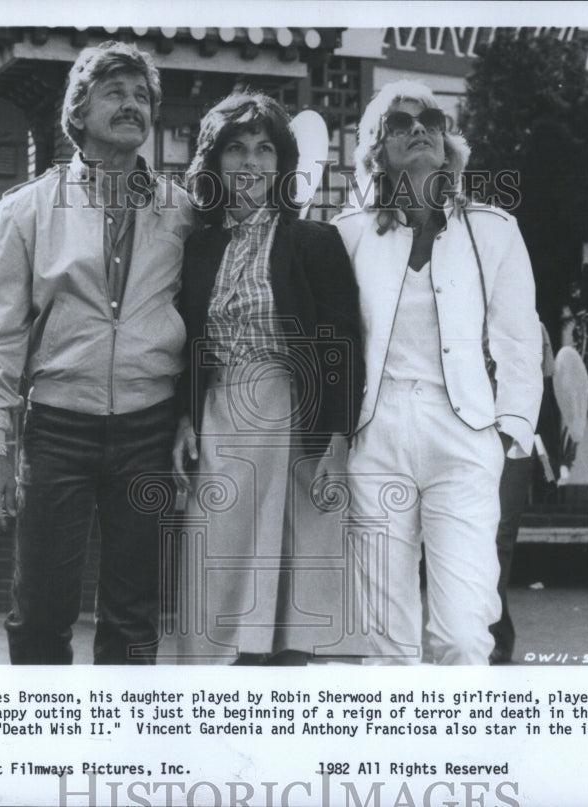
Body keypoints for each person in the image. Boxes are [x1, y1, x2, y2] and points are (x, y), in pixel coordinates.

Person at [0, 41, 195, 664]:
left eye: (142, 96)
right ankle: (47, 750)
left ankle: (118, 753)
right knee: (40, 612)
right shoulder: (28, 208)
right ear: (78, 110)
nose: (132, 106)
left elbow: (202, 321)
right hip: (58, 429)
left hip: (148, 429)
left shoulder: (182, 211)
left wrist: (188, 416)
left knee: (134, 617)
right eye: (115, 93)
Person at [333, 79, 544, 665]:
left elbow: (520, 339)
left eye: (429, 118)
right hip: (375, 438)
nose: (418, 128)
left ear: (448, 140)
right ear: (377, 148)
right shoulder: (346, 232)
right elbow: (331, 341)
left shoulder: (494, 227)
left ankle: (459, 753)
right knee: (386, 641)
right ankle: (400, 756)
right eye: (398, 123)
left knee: (461, 634)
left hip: (464, 437)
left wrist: (510, 432)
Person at [171, 92, 364, 665]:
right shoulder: (195, 247)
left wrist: (337, 438)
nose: (251, 163)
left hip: (293, 421)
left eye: (264, 150)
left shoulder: (314, 242)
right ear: (215, 162)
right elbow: (181, 343)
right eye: (236, 150)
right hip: (219, 420)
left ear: (281, 165)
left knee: (288, 604)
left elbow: (342, 344)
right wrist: (182, 415)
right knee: (215, 588)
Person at [489, 321, 557, 664]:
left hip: (513, 443)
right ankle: (481, 630)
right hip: (470, 438)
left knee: (498, 542)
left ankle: (497, 634)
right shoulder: (462, 310)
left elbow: (547, 381)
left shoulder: (534, 324)